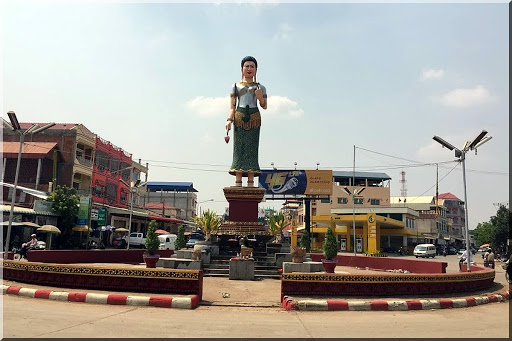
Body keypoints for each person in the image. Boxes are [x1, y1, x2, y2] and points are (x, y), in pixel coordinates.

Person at [225, 56, 267, 187]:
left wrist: (260, 97)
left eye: (252, 66)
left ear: (256, 70)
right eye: (246, 66)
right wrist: (229, 120)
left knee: (252, 149)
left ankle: (250, 181)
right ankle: (238, 180)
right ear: (242, 69)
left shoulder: (261, 87)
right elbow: (232, 106)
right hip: (239, 117)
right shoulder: (235, 86)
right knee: (239, 149)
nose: (249, 69)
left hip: (254, 117)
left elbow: (264, 106)